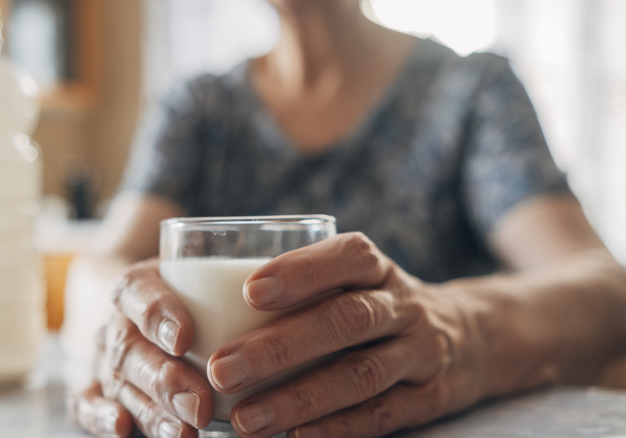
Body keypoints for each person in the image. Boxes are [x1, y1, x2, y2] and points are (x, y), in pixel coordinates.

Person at [66, 0, 626, 437]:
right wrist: (120, 344)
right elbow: (104, 271)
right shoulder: (200, 110)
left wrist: (458, 332)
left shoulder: (470, 93)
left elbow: (604, 289)